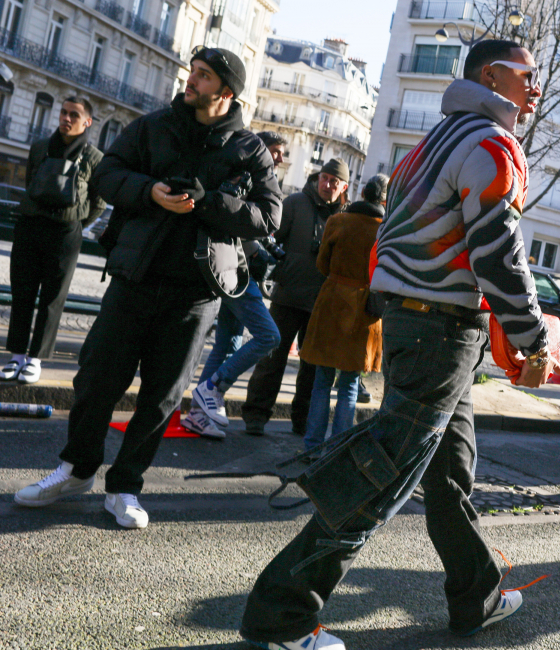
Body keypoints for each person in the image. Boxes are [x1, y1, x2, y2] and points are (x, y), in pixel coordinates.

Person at [239, 39, 559, 650]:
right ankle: (280, 615)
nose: (536, 86)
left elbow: (397, 242)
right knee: (380, 479)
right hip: (443, 332)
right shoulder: (493, 145)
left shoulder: (425, 148)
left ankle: (477, 597)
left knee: (447, 476)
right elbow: (498, 251)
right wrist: (532, 338)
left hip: (419, 326)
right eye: (528, 75)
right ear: (491, 76)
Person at [13, 47, 282, 529]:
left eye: (202, 76)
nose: (191, 81)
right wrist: (150, 191)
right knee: (96, 380)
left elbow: (268, 216)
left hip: (196, 293)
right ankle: (76, 470)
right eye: (192, 73)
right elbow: (107, 173)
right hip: (135, 277)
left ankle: (126, 487)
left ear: (226, 91)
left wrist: (209, 204)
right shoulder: (154, 125)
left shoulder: (249, 149)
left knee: (162, 396)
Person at [182, 131, 287, 438]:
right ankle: (212, 388)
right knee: (269, 336)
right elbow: (232, 220)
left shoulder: (257, 178)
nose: (279, 157)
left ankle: (198, 415)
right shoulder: (245, 174)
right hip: (232, 269)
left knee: (228, 342)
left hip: (235, 270)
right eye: (276, 151)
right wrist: (257, 252)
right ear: (259, 149)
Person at [241, 158, 349, 437]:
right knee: (271, 360)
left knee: (312, 368)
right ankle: (255, 416)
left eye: (334, 182)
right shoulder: (295, 203)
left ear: (343, 187)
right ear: (318, 177)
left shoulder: (346, 217)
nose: (327, 185)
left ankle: (302, 422)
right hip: (287, 296)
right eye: (324, 178)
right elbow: (271, 239)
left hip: (321, 304)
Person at [1, 97, 105, 385]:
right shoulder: (39, 148)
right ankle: (17, 356)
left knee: (52, 298)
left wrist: (75, 223)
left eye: (74, 115)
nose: (66, 118)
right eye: (63, 112)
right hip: (30, 226)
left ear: (87, 122)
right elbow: (31, 184)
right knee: (22, 293)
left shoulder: (94, 158)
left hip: (64, 234)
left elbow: (98, 202)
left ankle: (35, 359)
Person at [299, 173, 388, 459]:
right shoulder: (385, 230)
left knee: (322, 379)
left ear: (362, 192)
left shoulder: (339, 221)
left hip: (333, 302)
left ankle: (312, 446)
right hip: (365, 309)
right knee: (350, 383)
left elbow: (322, 263)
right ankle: (337, 450)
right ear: (385, 200)